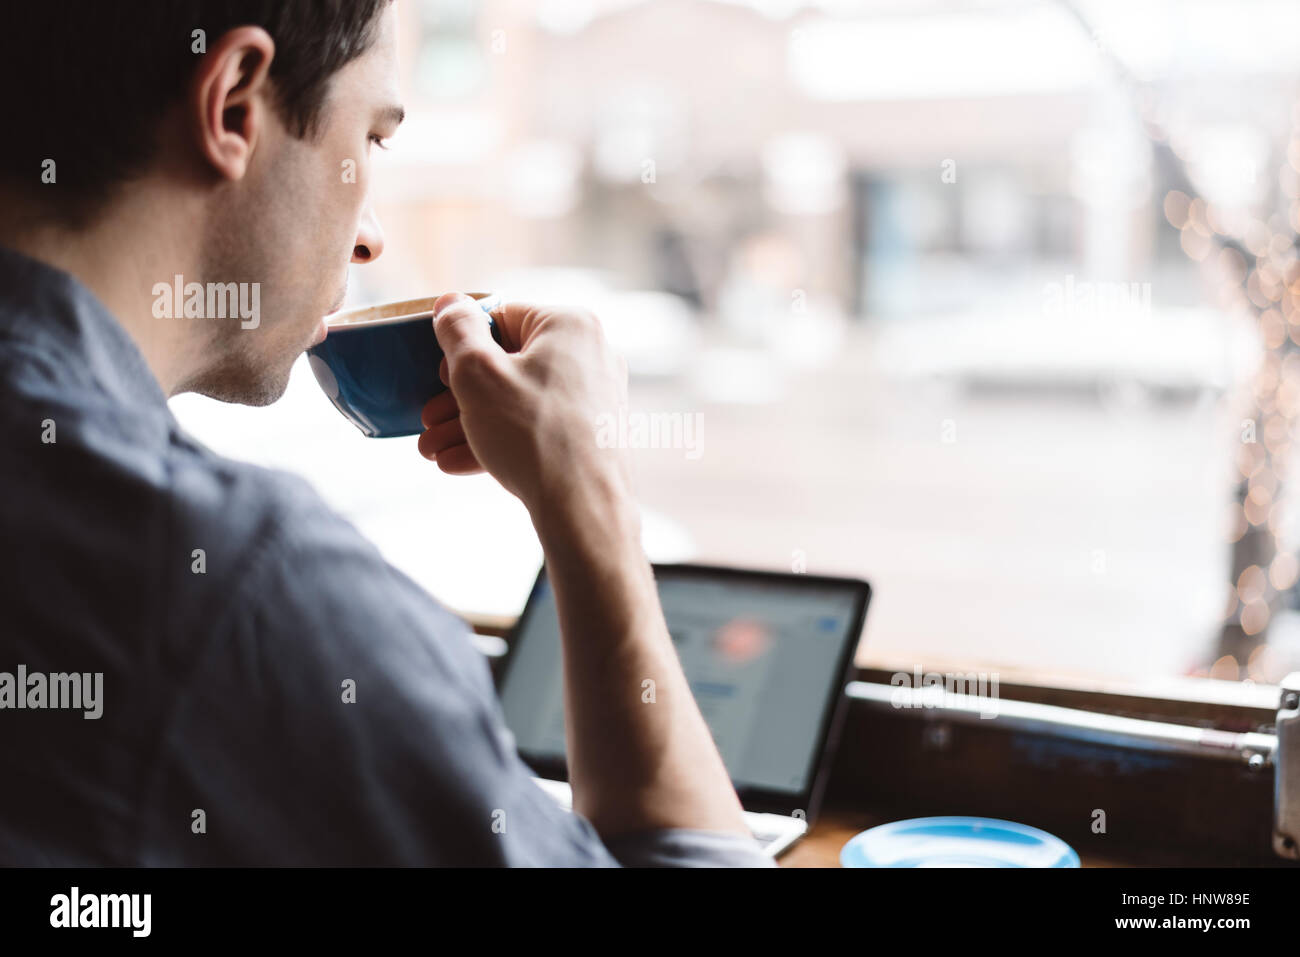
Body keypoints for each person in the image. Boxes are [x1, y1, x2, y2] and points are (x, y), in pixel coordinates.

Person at [0, 0, 769, 866]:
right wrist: (589, 492)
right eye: (369, 139)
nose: (367, 240)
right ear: (232, 107)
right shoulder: (241, 595)